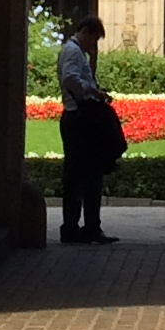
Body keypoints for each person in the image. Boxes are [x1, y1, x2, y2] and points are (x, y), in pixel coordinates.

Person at [53, 14, 122, 244]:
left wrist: (93, 60)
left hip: (78, 119)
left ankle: (84, 226)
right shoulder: (72, 51)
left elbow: (85, 78)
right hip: (78, 119)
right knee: (82, 175)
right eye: (94, 39)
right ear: (86, 32)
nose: (94, 45)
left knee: (85, 175)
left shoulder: (77, 52)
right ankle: (78, 227)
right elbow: (71, 79)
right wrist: (93, 92)